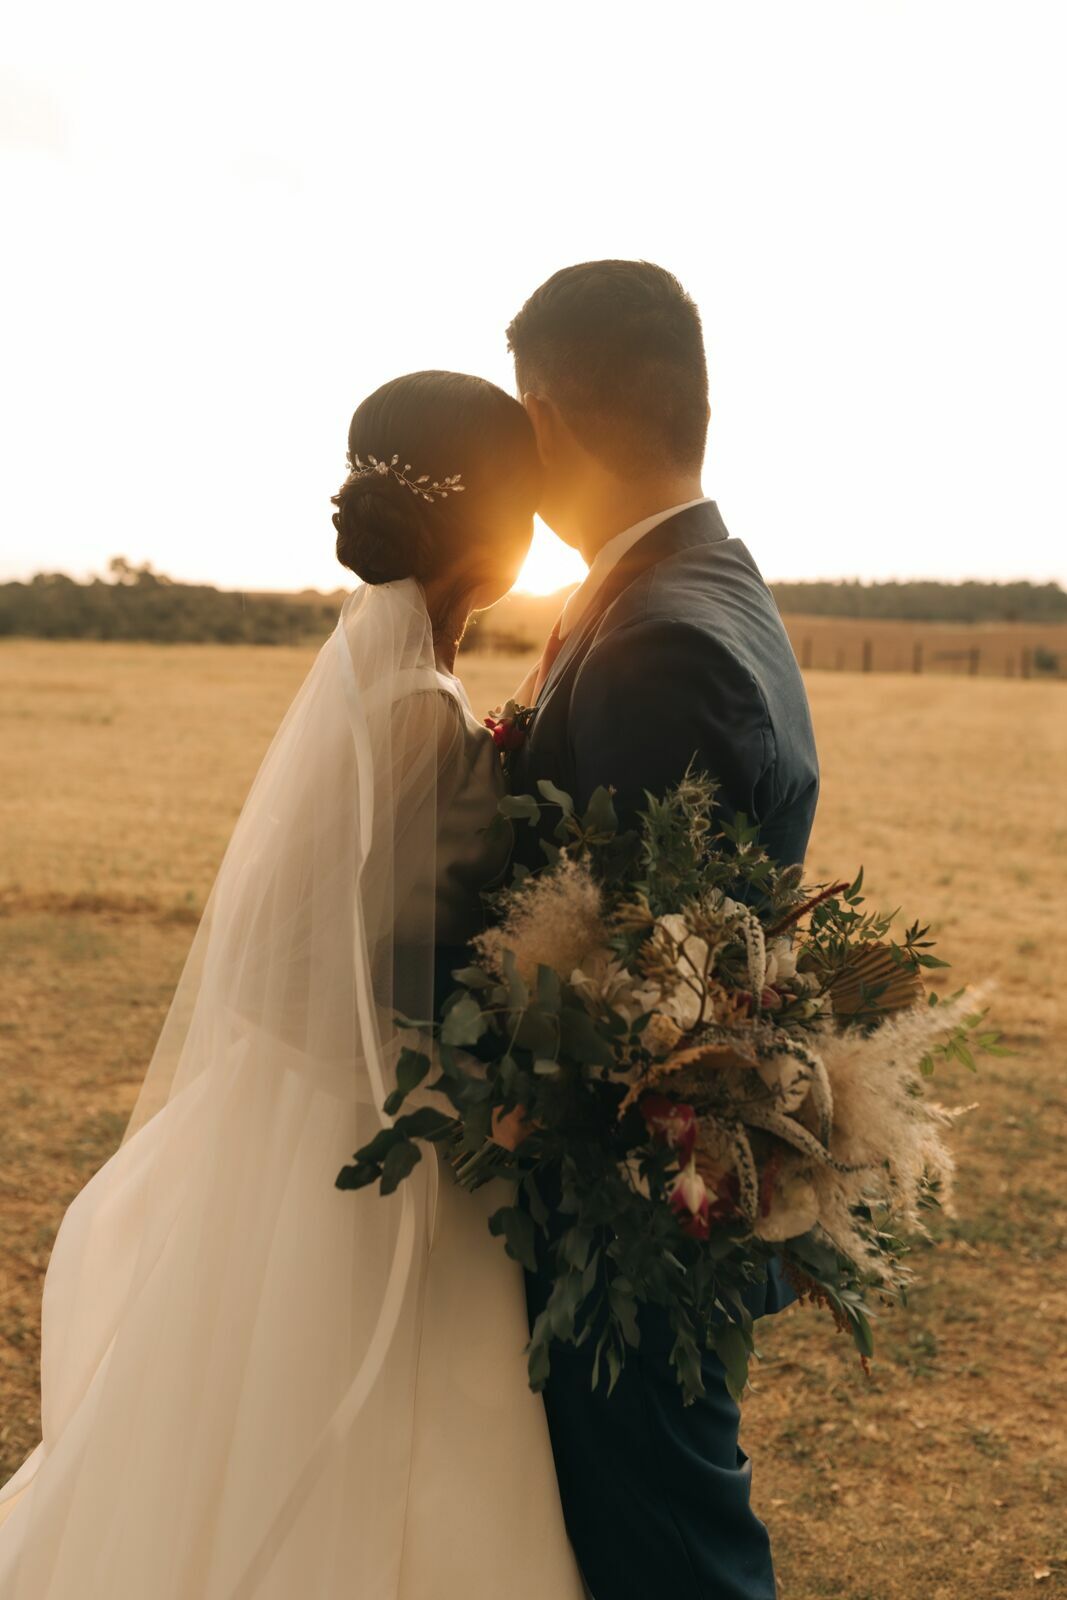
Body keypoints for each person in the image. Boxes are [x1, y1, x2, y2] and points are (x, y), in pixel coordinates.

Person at [0, 372, 585, 1599]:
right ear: (500, 531)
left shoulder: (373, 692)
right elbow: (360, 955)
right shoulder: (417, 713)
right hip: (387, 1130)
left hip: (296, 1108)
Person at [506, 260, 820, 1600]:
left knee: (668, 1562)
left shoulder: (656, 641)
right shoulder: (700, 587)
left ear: (554, 423)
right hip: (651, 1193)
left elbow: (641, 985)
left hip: (636, 1207)